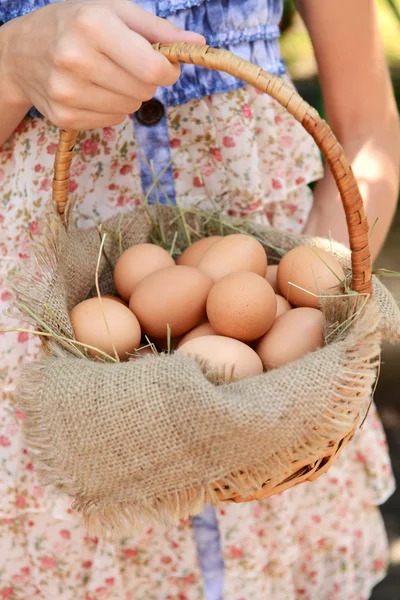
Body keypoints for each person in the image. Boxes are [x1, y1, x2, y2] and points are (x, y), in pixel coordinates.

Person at [0, 0, 399, 598]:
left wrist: (314, 297)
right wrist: (12, 65)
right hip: (55, 375)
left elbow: (369, 125)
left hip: (279, 401)